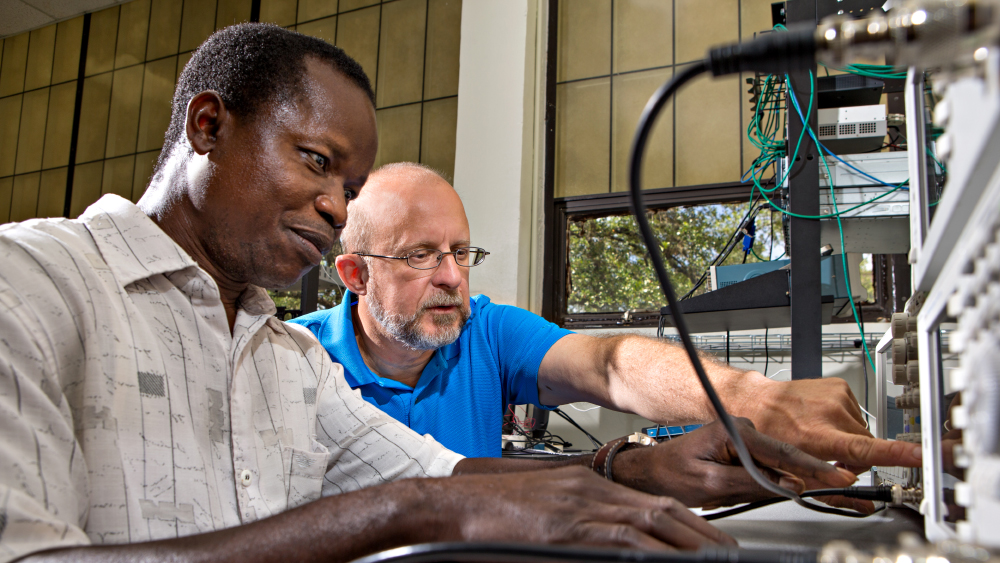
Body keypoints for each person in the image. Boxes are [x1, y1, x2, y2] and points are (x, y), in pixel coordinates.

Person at [0, 23, 856, 563]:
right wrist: (410, 508)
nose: (336, 204)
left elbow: (452, 470)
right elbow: (423, 494)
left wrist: (638, 465)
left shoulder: (286, 361)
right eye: (317, 161)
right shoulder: (34, 283)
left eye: (352, 181)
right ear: (208, 126)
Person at [291, 162, 922, 512]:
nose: (454, 277)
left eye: (460, 251)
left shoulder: (483, 331)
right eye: (422, 256)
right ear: (353, 273)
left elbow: (610, 363)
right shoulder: (293, 360)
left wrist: (751, 397)